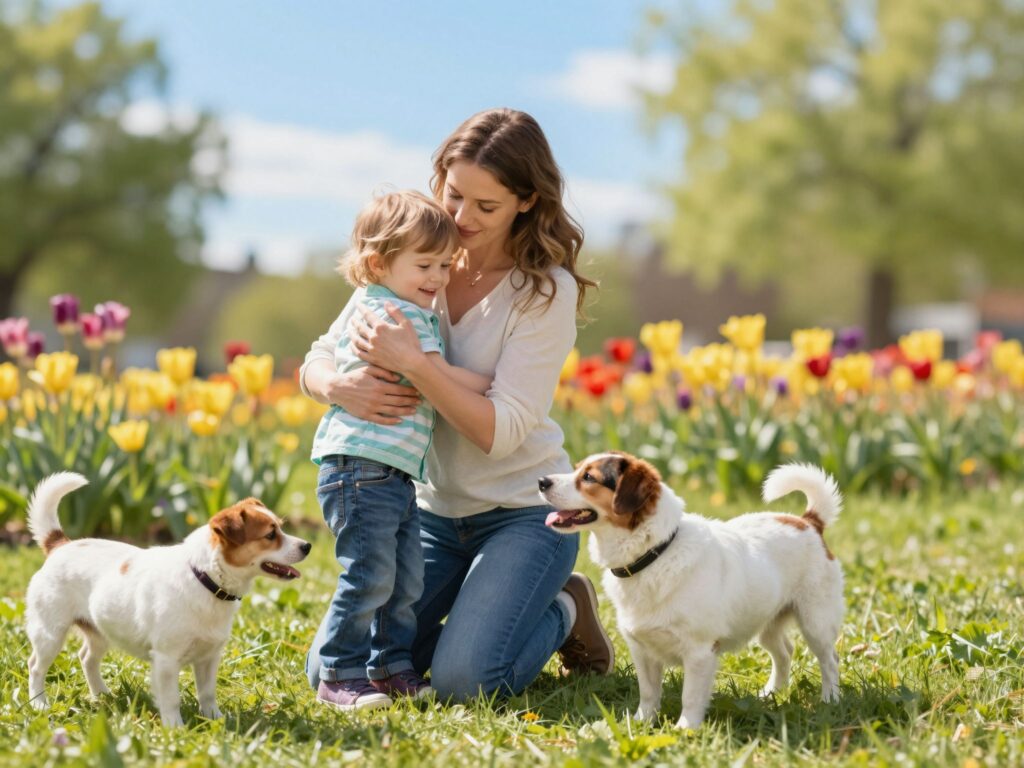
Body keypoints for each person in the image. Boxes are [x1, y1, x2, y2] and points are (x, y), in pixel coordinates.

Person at [302, 108, 613, 700]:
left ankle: (565, 608)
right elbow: (319, 356)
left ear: (526, 201)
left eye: (486, 206)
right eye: (453, 195)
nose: (463, 218)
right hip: (424, 513)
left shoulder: (544, 290)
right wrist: (337, 387)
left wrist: (418, 365)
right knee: (334, 667)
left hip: (523, 512)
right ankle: (481, 617)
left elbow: (501, 432)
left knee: (464, 681)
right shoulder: (415, 256)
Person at [311, 190, 493, 711]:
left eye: (445, 264)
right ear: (377, 264)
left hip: (389, 474)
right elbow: (437, 374)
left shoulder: (382, 302)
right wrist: (489, 382)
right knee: (370, 575)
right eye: (425, 265)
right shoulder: (398, 316)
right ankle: (340, 674)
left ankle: (389, 666)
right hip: (362, 469)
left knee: (404, 578)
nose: (438, 277)